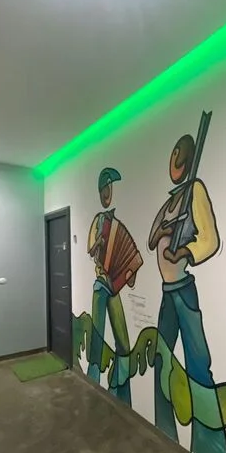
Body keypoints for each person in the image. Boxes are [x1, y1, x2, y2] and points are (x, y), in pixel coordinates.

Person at [148, 134, 226, 453]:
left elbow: (210, 239)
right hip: (167, 293)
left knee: (198, 366)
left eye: (179, 155)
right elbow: (152, 236)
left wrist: (183, 250)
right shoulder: (172, 201)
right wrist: (162, 233)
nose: (175, 162)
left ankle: (211, 452)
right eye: (173, 155)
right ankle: (164, 431)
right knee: (162, 360)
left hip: (183, 290)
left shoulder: (195, 190)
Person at [87, 167, 138, 405]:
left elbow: (130, 271)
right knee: (97, 339)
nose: (108, 194)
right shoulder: (98, 221)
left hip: (114, 288)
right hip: (100, 285)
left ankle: (120, 391)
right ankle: (92, 385)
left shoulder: (117, 225)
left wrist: (129, 272)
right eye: (105, 189)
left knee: (124, 344)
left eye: (110, 189)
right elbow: (91, 250)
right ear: (101, 191)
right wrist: (98, 242)